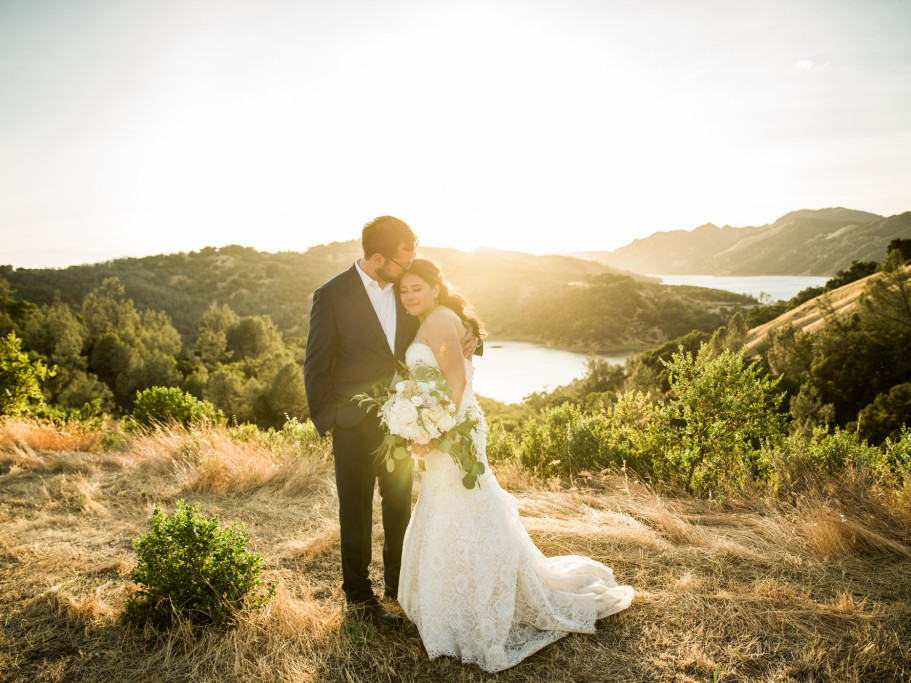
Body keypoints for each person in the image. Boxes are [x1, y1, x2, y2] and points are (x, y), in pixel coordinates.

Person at [395, 258, 635, 673]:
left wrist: (434, 430)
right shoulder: (439, 317)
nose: (409, 296)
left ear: (435, 288)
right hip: (447, 429)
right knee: (453, 507)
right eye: (403, 290)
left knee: (463, 508)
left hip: (453, 432)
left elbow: (456, 382)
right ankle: (461, 601)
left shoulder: (437, 320)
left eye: (416, 287)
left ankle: (475, 608)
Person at [303, 217, 477, 628]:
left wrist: (473, 333)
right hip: (351, 423)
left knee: (398, 505)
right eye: (403, 262)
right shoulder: (331, 295)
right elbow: (316, 363)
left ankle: (398, 585)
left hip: (404, 421)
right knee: (356, 509)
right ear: (378, 258)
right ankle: (359, 596)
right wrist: (328, 419)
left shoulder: (404, 289)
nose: (409, 270)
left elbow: (441, 317)